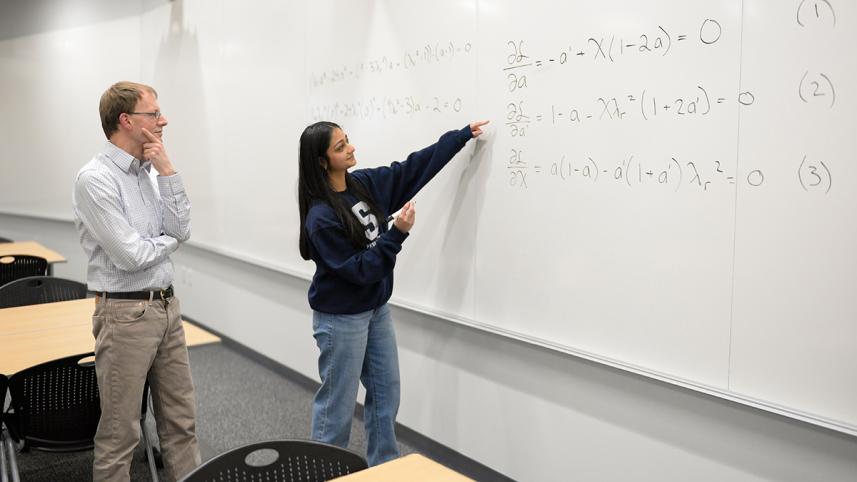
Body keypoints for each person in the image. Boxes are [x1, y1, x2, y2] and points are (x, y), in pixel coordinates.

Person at [297, 119, 489, 465]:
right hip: (341, 319)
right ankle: (321, 471)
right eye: (340, 147)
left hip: (375, 310)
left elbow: (411, 170)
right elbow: (361, 270)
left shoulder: (364, 184)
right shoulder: (321, 218)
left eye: (347, 140)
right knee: (337, 408)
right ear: (322, 162)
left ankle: (383, 467)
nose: (350, 148)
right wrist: (396, 234)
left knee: (386, 397)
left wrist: (458, 137)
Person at [73, 81, 200, 482]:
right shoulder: (95, 179)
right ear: (126, 121)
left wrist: (166, 169)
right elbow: (130, 256)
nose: (163, 121)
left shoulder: (149, 171)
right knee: (119, 435)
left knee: (181, 424)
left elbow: (182, 228)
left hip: (166, 307)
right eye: (154, 114)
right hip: (125, 315)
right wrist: (168, 240)